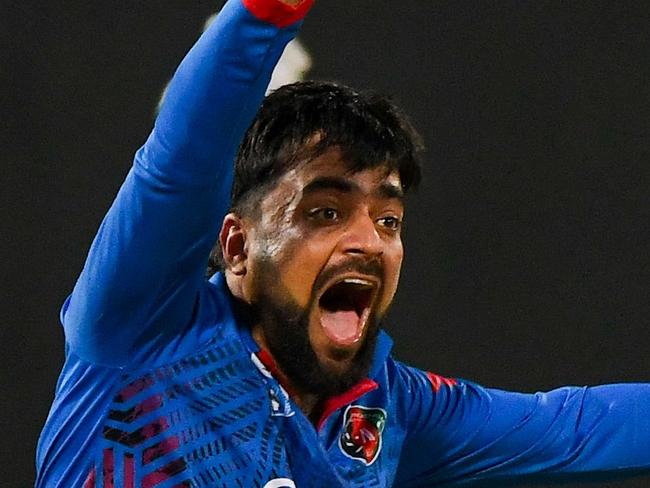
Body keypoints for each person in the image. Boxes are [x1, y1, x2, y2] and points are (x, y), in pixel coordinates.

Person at [36, 0, 650, 486]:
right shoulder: (140, 332)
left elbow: (572, 428)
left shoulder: (391, 409)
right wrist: (265, 10)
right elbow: (178, 167)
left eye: (388, 220)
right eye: (325, 212)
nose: (368, 242)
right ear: (238, 249)